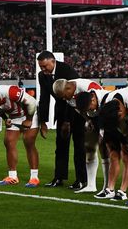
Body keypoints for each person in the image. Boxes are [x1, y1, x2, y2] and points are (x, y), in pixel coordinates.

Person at [36, 51, 85, 189]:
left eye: (45, 66)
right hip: (61, 112)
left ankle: (81, 180)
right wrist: (43, 121)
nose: (43, 69)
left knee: (79, 146)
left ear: (53, 61)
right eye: (41, 67)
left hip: (76, 111)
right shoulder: (42, 76)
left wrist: (68, 121)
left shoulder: (67, 71)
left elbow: (74, 97)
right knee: (61, 146)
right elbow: (44, 98)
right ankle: (59, 177)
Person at [52, 78, 105, 193]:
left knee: (106, 151)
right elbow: (80, 110)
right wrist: (88, 121)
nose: (64, 99)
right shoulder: (68, 95)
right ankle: (90, 185)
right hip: (90, 117)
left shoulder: (89, 88)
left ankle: (108, 187)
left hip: (102, 115)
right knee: (90, 150)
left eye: (64, 95)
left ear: (68, 88)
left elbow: (101, 105)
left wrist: (100, 128)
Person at [0, 85, 40, 188]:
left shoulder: (10, 91)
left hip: (30, 113)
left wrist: (29, 119)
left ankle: (34, 177)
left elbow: (31, 102)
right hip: (14, 116)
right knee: (8, 141)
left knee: (28, 142)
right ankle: (13, 176)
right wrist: (5, 118)